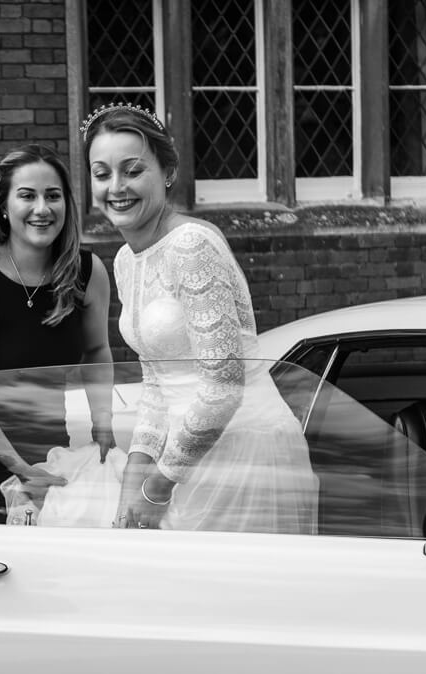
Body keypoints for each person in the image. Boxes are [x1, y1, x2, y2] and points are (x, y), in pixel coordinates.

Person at [81, 104, 318, 533]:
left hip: (244, 455)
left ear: (167, 172)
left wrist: (158, 486)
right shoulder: (124, 261)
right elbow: (156, 384)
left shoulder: (191, 244)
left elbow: (224, 385)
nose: (116, 187)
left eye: (132, 171)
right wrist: (134, 482)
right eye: (102, 173)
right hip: (178, 462)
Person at [0, 144, 115, 521]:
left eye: (53, 196)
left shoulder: (87, 271)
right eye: (27, 196)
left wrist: (103, 425)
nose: (42, 209)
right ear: (3, 205)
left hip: (47, 440)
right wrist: (19, 467)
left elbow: (97, 350)